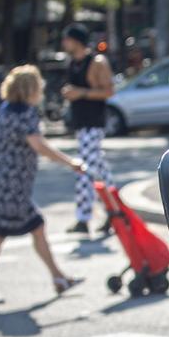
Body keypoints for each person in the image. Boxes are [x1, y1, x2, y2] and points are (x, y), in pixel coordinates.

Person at [0, 65, 85, 307]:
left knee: (33, 227)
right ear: (31, 89)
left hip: (3, 181)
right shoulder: (26, 113)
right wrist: (70, 162)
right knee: (0, 235)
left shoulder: (5, 110)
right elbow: (39, 145)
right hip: (14, 186)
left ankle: (58, 277)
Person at [60, 23, 116, 235]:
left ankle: (83, 219)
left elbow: (109, 91)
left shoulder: (96, 62)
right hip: (82, 124)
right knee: (100, 170)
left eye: (67, 39)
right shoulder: (72, 63)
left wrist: (80, 93)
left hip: (94, 123)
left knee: (84, 170)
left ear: (76, 41)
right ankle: (115, 210)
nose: (64, 43)